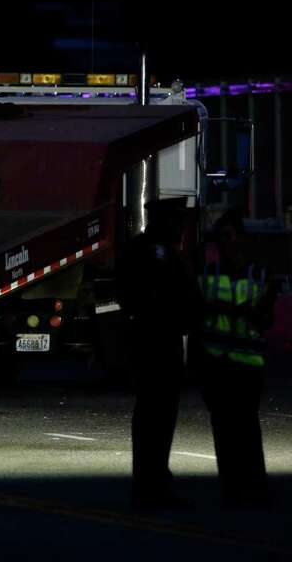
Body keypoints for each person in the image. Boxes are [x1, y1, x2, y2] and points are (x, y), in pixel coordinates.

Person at [115, 197, 204, 509]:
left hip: (155, 340)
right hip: (156, 341)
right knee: (156, 416)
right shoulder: (157, 253)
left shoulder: (149, 250)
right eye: (177, 221)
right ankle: (151, 484)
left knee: (156, 416)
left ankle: (151, 481)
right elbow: (170, 297)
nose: (181, 228)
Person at [197, 210, 276, 508]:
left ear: (241, 238)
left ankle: (255, 488)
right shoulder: (207, 276)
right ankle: (231, 488)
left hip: (247, 366)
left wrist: (236, 312)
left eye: (230, 236)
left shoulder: (260, 276)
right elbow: (197, 317)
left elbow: (266, 317)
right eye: (222, 237)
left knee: (246, 430)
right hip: (217, 365)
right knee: (224, 431)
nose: (227, 243)